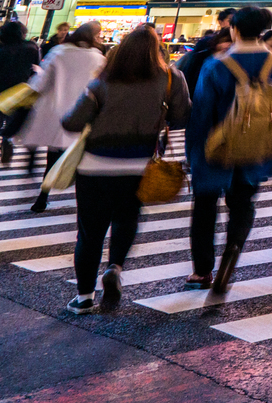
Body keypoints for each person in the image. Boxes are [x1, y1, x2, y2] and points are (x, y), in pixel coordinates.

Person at [58, 25, 190, 313]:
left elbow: (72, 122)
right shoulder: (171, 78)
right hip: (139, 166)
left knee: (90, 232)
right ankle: (115, 267)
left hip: (95, 166)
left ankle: (83, 298)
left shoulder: (104, 81)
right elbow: (182, 116)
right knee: (127, 218)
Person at [185, 5, 272, 292]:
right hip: (255, 144)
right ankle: (232, 250)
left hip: (216, 146)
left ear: (235, 29)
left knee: (205, 206)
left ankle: (202, 271)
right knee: (243, 203)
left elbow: (202, 113)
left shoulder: (216, 65)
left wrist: (192, 152)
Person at [19, 20, 105, 204]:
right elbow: (101, 87)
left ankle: (43, 197)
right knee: (81, 158)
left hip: (55, 112)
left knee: (53, 158)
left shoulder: (59, 52)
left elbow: (42, 82)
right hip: (83, 113)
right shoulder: (98, 58)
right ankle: (81, 199)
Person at [0, 19, 39, 165]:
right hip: (20, 92)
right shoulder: (31, 48)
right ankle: (7, 141)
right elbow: (36, 70)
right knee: (13, 123)